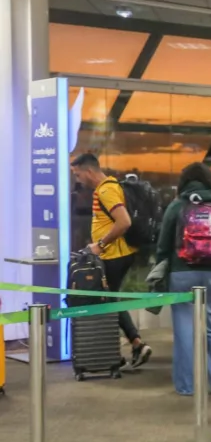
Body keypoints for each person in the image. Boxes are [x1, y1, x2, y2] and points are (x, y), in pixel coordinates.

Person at [156, 162, 211, 396]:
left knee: (185, 329)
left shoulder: (176, 206)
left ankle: (188, 385)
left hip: (181, 273)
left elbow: (163, 245)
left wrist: (161, 269)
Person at [69, 153, 154, 369]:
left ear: (89, 171)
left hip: (114, 255)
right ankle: (132, 345)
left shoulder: (106, 190)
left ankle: (125, 348)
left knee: (105, 301)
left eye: (78, 175)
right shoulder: (108, 187)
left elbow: (123, 221)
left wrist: (100, 244)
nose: (78, 180)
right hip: (116, 254)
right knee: (107, 300)